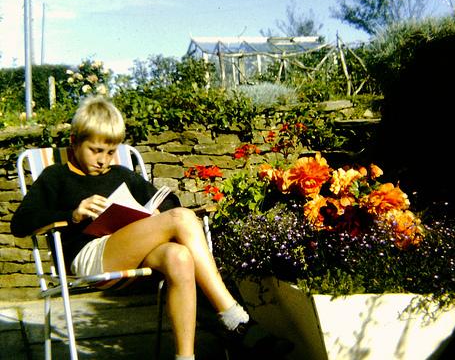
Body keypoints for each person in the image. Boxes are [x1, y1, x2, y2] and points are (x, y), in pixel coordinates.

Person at [11, 96, 291, 360]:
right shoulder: (56, 176)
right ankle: (233, 316)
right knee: (180, 219)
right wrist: (72, 214)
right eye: (96, 150)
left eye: (110, 152)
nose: (103, 160)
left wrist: (155, 213)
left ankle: (185, 356)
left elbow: (168, 200)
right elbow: (21, 223)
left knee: (178, 257)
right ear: (74, 142)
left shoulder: (120, 174)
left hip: (130, 252)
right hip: (88, 257)